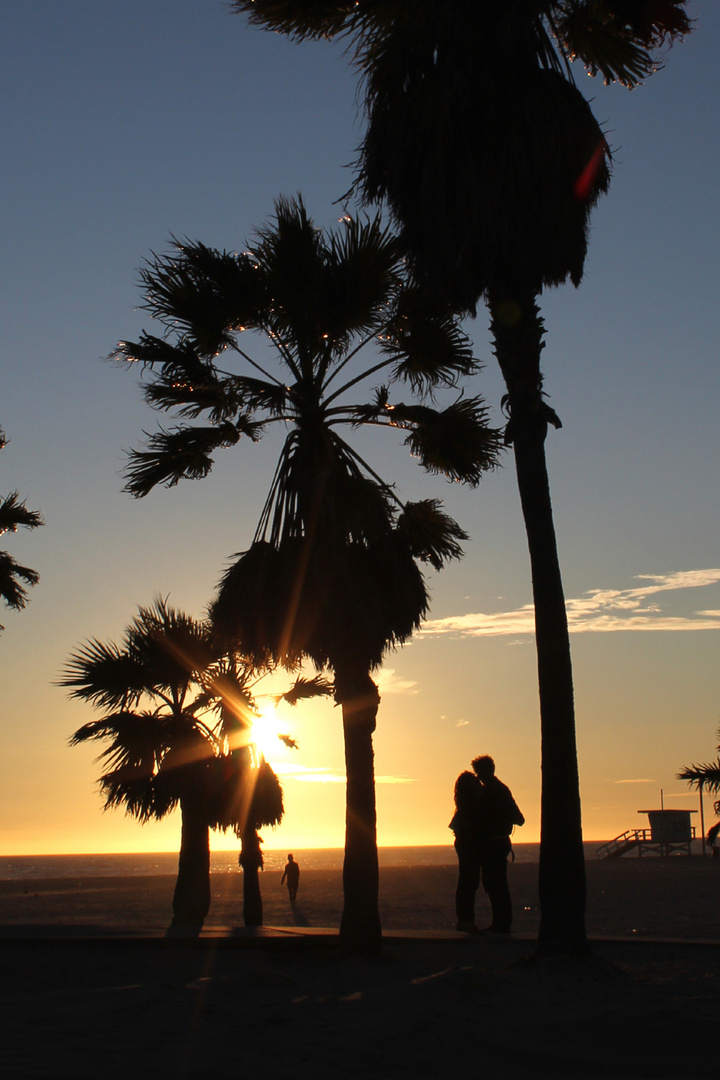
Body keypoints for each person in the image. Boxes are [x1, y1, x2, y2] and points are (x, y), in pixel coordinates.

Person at [471, 755, 525, 934]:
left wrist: (498, 818)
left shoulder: (499, 791)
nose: (480, 777)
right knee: (492, 884)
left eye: (481, 772)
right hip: (492, 844)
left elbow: (519, 818)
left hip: (497, 844)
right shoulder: (491, 790)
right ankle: (500, 923)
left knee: (497, 884)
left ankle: (502, 924)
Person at [449, 771, 484, 933]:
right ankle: (466, 921)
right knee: (468, 881)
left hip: (464, 843)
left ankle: (465, 920)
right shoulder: (470, 806)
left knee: (467, 881)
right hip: (467, 843)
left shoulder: (464, 805)